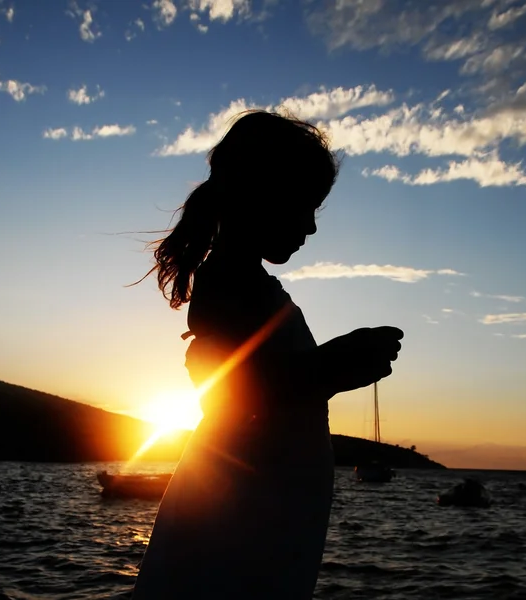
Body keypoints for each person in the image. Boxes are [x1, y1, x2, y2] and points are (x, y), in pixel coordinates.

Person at [131, 110, 403, 599]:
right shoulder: (228, 284)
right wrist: (333, 366)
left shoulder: (252, 287)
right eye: (306, 207)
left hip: (265, 519)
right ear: (260, 197)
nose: (313, 229)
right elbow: (239, 396)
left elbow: (274, 380)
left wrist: (335, 367)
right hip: (236, 523)